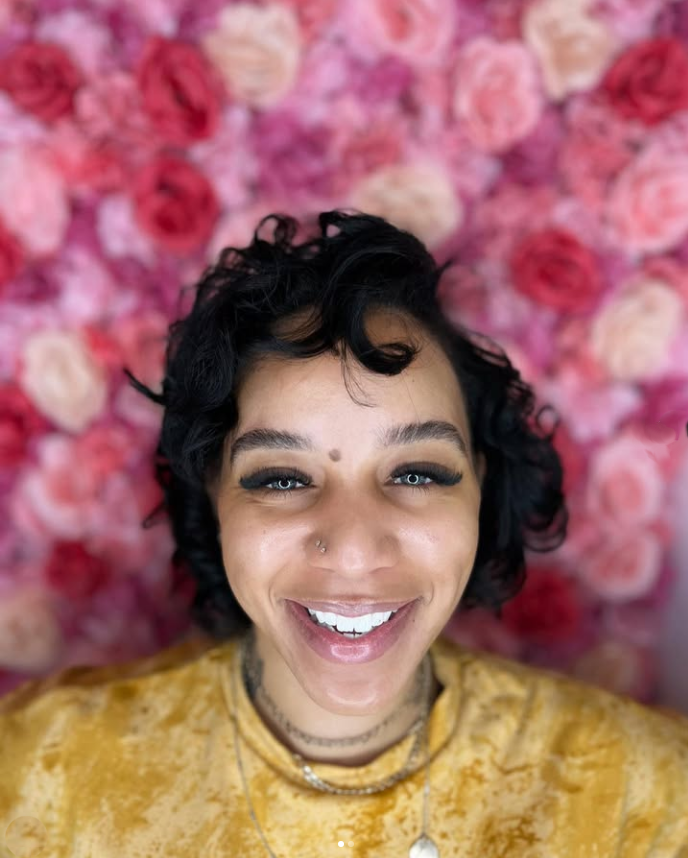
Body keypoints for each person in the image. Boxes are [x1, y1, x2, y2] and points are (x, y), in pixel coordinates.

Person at [1, 211, 687, 858]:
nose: (356, 547)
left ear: (479, 486)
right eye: (280, 478)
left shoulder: (646, 800)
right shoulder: (36, 778)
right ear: (214, 493)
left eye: (417, 472)